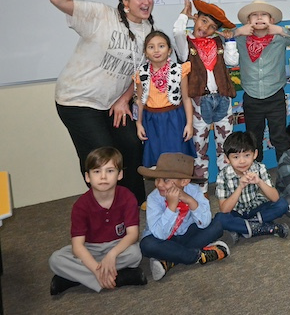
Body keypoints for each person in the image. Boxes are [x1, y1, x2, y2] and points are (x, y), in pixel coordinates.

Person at [51, 0, 152, 204]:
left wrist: (124, 99)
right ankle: (104, 207)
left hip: (113, 103)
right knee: (102, 156)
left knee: (131, 145)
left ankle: (132, 203)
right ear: (125, 1)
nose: (147, 1)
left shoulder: (147, 29)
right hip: (78, 100)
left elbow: (139, 72)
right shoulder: (101, 15)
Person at [49, 147, 146, 295]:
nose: (103, 177)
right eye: (97, 171)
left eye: (110, 171)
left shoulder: (128, 197)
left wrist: (112, 255)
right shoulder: (80, 205)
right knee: (56, 259)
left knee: (135, 253)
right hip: (90, 248)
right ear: (87, 177)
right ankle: (118, 278)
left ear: (120, 174)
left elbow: (132, 235)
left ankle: (71, 279)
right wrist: (96, 270)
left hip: (117, 246)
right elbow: (77, 246)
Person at [172, 0, 238, 191]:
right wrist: (184, 14)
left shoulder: (218, 42)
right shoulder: (186, 45)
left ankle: (226, 186)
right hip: (199, 102)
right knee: (199, 147)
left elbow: (232, 61)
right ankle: (201, 190)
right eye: (203, 21)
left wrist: (229, 40)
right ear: (195, 18)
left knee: (225, 146)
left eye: (212, 27)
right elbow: (177, 32)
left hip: (222, 99)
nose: (206, 28)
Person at [233, 0, 290, 162]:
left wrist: (280, 30)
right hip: (252, 97)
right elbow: (220, 38)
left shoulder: (279, 37)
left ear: (271, 20)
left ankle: (286, 171)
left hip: (275, 96)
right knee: (253, 139)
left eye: (264, 14)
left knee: (280, 137)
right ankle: (256, 172)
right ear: (248, 21)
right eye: (254, 15)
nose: (259, 18)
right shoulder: (241, 39)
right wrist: (237, 32)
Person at [138, 153, 228, 282]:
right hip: (163, 239)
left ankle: (170, 260)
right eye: (157, 179)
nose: (159, 184)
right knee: (147, 245)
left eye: (166, 180)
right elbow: (160, 235)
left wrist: (190, 201)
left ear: (184, 181)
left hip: (186, 235)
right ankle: (197, 256)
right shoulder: (154, 198)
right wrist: (171, 207)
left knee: (217, 227)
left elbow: (205, 222)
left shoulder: (194, 191)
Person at [215, 131, 290, 242]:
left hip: (256, 208)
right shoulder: (223, 176)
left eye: (247, 155)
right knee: (220, 218)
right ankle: (266, 228)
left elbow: (275, 198)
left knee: (283, 204)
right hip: (236, 212)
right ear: (226, 159)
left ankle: (245, 228)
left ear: (255, 154)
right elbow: (224, 209)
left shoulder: (260, 168)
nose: (242, 161)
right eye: (236, 157)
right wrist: (240, 187)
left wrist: (259, 182)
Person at [134, 31, 195, 167]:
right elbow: (139, 101)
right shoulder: (141, 73)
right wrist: (138, 124)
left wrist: (189, 124)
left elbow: (186, 99)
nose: (156, 50)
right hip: (151, 121)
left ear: (169, 50)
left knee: (176, 157)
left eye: (161, 46)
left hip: (175, 119)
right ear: (145, 53)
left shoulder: (179, 70)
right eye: (151, 47)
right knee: (156, 158)